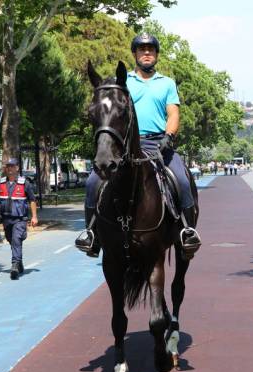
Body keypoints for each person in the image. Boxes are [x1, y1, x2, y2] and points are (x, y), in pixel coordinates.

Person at [75, 32, 201, 257]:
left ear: (156, 55)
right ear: (134, 54)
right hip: (126, 146)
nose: (146, 53)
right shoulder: (124, 82)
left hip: (158, 144)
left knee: (182, 179)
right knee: (93, 181)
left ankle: (187, 232)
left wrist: (168, 136)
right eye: (142, 49)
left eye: (150, 50)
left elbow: (173, 114)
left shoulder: (167, 83)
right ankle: (91, 234)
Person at [0, 158, 38, 280]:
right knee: (11, 240)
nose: (10, 168)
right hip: (6, 219)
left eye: (12, 166)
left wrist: (34, 216)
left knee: (16, 239)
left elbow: (32, 200)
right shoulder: (1, 183)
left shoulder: (24, 183)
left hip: (20, 219)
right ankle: (19, 261)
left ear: (17, 168)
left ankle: (14, 265)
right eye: (8, 166)